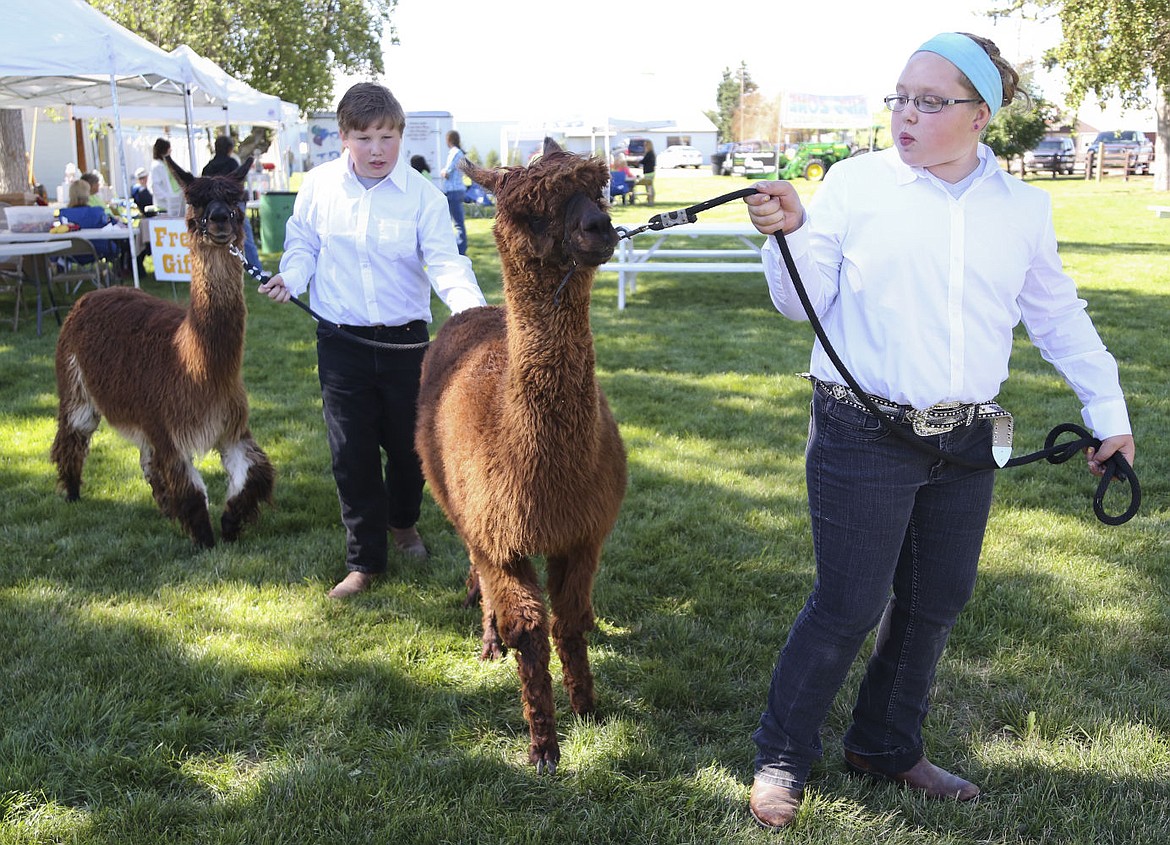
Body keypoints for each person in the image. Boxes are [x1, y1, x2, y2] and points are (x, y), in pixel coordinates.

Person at [742, 32, 1135, 830]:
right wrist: (784, 235)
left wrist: (1111, 415)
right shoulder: (854, 186)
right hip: (862, 428)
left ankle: (885, 743)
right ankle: (782, 754)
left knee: (936, 599)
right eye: (900, 97)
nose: (906, 116)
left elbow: (1057, 315)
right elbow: (798, 302)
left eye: (931, 101)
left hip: (972, 435)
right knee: (848, 601)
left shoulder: (1023, 207)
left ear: (981, 114)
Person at [257, 82, 487, 599]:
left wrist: (474, 315)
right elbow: (303, 244)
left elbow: (446, 263)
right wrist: (290, 278)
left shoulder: (423, 197)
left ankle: (403, 524)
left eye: (386, 136)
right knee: (352, 453)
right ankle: (364, 561)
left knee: (411, 452)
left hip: (407, 344)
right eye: (364, 138)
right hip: (341, 342)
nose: (377, 149)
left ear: (400, 135)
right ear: (343, 138)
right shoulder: (317, 187)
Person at [202, 135, 261, 269]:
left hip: (213, 210)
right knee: (246, 236)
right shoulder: (232, 164)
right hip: (232, 207)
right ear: (229, 149)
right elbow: (238, 185)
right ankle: (256, 268)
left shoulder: (208, 167)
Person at [58, 179, 118, 263]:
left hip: (71, 251)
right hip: (98, 248)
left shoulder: (63, 214)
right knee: (115, 245)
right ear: (87, 194)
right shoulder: (97, 211)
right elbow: (111, 223)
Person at [439, 129, 468, 255]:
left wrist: (441, 171)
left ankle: (460, 250)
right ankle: (458, 248)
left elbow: (447, 172)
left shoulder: (455, 153)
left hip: (453, 191)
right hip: (457, 190)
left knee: (457, 223)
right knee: (456, 222)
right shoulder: (459, 153)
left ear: (449, 140)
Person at [148, 138, 184, 218]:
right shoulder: (157, 166)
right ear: (163, 150)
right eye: (168, 149)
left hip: (173, 201)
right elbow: (155, 186)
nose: (170, 151)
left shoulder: (164, 164)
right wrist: (167, 197)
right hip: (164, 205)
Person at [637, 140, 656, 205]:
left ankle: (650, 201)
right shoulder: (651, 153)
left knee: (649, 187)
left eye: (645, 145)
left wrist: (637, 161)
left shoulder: (649, 153)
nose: (644, 147)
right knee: (649, 186)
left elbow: (644, 161)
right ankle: (650, 200)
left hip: (649, 173)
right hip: (650, 172)